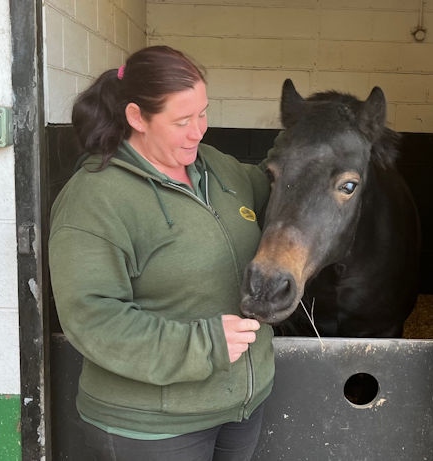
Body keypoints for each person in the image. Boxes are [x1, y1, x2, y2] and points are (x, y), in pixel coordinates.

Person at [48, 45, 275, 461]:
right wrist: (205, 345)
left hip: (240, 407)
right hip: (150, 428)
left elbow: (274, 186)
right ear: (137, 117)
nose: (198, 131)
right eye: (182, 121)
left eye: (203, 113)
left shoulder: (218, 169)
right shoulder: (96, 199)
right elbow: (93, 319)